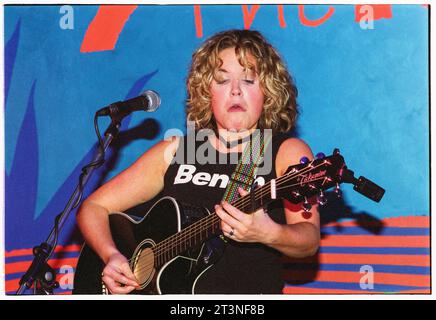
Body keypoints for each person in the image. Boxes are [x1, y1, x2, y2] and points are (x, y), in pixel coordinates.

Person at [76, 29, 320, 294]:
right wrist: (111, 255)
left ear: (268, 92)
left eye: (249, 81)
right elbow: (94, 207)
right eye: (223, 80)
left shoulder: (286, 152)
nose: (236, 91)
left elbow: (308, 240)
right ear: (206, 91)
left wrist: (268, 233)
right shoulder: (175, 150)